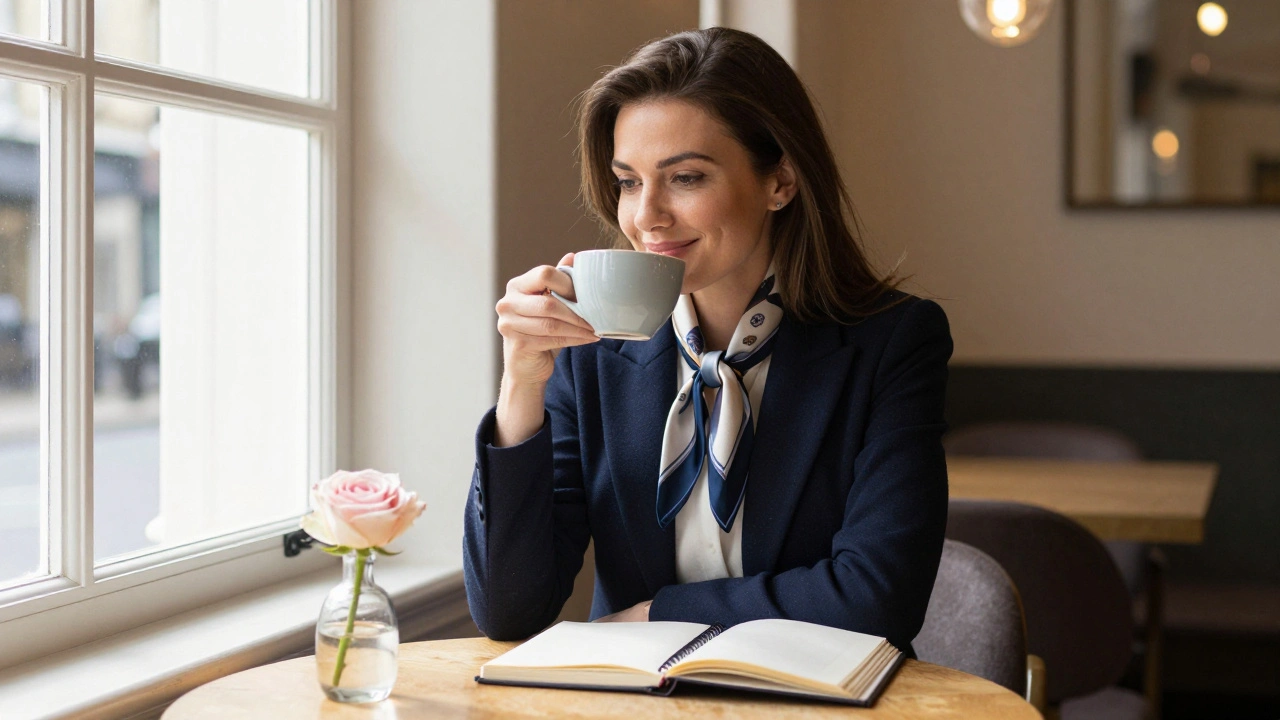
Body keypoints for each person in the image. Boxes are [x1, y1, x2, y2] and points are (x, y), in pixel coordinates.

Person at [463, 27, 951, 655]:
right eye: (629, 181)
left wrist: (659, 615)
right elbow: (509, 609)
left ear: (781, 180)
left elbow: (878, 597)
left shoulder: (892, 342)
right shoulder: (592, 354)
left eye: (685, 178)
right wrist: (521, 386)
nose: (647, 216)